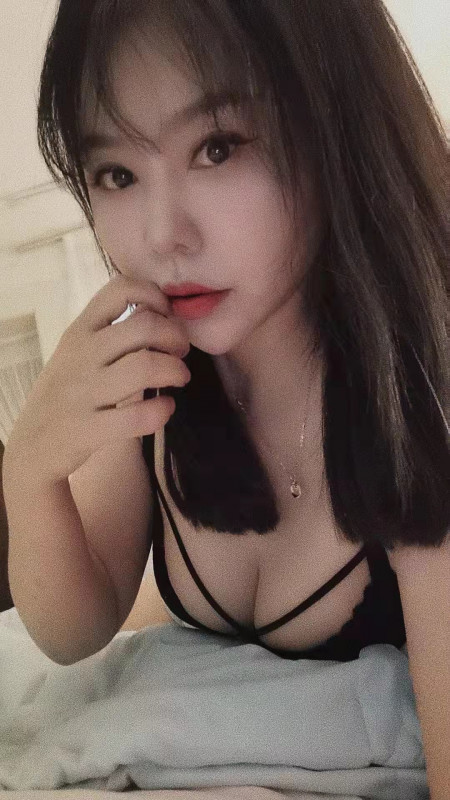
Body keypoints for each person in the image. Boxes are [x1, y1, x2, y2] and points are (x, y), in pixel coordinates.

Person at [2, 1, 448, 796]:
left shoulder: (419, 388)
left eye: (218, 147)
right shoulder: (157, 366)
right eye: (116, 173)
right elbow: (75, 628)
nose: (162, 235)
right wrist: (32, 469)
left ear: (335, 126)